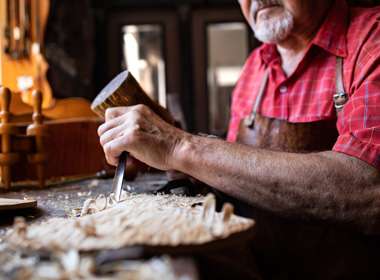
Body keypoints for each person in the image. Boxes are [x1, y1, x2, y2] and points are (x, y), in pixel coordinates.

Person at [98, 0, 380, 279]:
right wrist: (160, 155)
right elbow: (232, 181)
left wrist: (179, 146)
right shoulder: (255, 68)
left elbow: (367, 189)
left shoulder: (371, 39)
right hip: (260, 267)